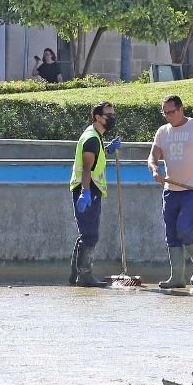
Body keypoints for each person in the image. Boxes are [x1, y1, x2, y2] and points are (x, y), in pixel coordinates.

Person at [147, 95, 193, 289]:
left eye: (171, 112)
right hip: (171, 190)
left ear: (181, 109)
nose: (168, 116)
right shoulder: (163, 132)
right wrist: (155, 169)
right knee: (171, 233)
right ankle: (177, 277)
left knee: (185, 229)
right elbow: (152, 156)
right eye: (165, 113)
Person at [69, 102, 117, 288]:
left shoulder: (96, 136)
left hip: (90, 188)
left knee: (86, 233)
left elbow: (96, 157)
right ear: (98, 117)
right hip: (87, 189)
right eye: (108, 115)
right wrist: (85, 192)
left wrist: (107, 150)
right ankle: (85, 275)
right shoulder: (91, 138)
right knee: (89, 234)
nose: (112, 118)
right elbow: (87, 167)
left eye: (113, 114)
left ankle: (76, 275)